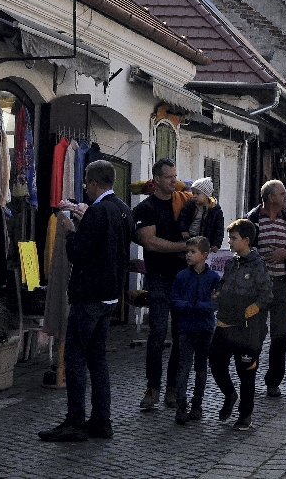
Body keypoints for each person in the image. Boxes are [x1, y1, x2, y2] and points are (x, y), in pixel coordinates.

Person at [39, 160, 131, 442]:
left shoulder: (99, 211)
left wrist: (69, 229)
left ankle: (75, 421)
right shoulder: (123, 209)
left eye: (86, 185)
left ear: (92, 183)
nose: (85, 190)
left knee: (75, 358)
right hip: (110, 295)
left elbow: (79, 253)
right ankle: (102, 421)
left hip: (89, 296)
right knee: (98, 359)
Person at [134, 158, 191, 411]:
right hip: (158, 277)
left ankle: (172, 388)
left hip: (182, 278)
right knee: (157, 333)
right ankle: (153, 387)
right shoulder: (146, 208)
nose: (173, 181)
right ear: (156, 179)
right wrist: (182, 247)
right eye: (169, 177)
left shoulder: (184, 203)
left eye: (175, 176)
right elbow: (150, 242)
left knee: (181, 334)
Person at [209, 219, 273, 431]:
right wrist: (218, 295)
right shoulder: (230, 262)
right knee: (216, 364)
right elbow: (224, 285)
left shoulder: (258, 265)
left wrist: (249, 311)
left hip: (247, 330)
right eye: (230, 238)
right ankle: (230, 395)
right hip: (225, 324)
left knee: (246, 373)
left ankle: (245, 415)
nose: (230, 241)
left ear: (246, 241)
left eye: (234, 238)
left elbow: (266, 296)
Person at [242, 180, 286, 397]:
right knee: (254, 333)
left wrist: (282, 254)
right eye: (283, 194)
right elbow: (241, 249)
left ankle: (273, 381)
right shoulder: (253, 219)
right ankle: (248, 376)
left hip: (281, 284)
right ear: (271, 197)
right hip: (257, 287)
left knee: (279, 334)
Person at [170, 236, 222, 424]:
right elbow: (174, 299)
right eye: (187, 252)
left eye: (193, 252)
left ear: (204, 255)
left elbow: (216, 302)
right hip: (186, 328)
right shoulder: (182, 276)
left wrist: (199, 306)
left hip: (205, 328)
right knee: (183, 367)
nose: (188, 255)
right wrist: (186, 306)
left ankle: (197, 404)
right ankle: (181, 405)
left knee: (201, 369)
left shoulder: (213, 278)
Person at [181, 177, 224, 251]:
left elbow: (219, 229)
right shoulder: (190, 205)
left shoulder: (215, 210)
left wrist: (216, 244)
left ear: (206, 194)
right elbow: (183, 218)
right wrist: (183, 230)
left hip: (205, 241)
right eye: (193, 193)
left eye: (198, 193)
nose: (194, 196)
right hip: (188, 238)